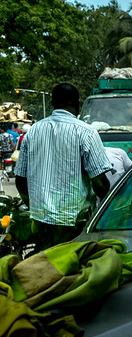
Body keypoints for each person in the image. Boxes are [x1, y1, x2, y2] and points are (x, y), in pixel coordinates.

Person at [15, 83, 112, 251]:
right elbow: (100, 183)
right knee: (71, 269)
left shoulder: (32, 131)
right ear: (78, 104)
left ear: (52, 103)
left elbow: (20, 181)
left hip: (41, 221)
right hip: (75, 222)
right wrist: (107, 210)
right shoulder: (86, 132)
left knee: (45, 267)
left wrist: (34, 207)